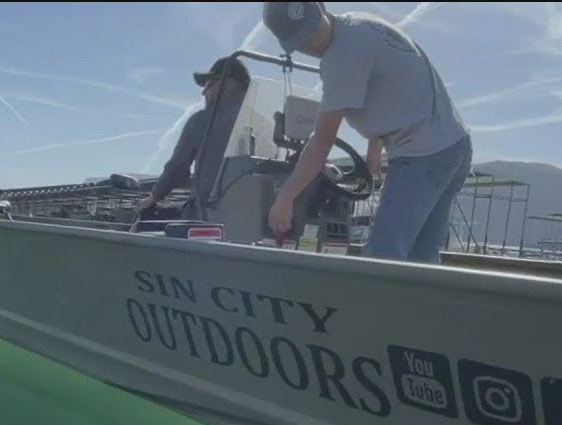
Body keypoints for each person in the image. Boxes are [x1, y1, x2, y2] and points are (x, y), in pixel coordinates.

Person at [262, 1, 472, 263]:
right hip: (454, 146)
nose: (312, 43)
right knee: (422, 259)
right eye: (302, 40)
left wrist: (285, 197)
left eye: (313, 30)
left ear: (322, 8)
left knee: (381, 257)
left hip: (422, 154)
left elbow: (321, 143)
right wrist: (374, 154)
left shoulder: (340, 56)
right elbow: (389, 95)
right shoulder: (359, 24)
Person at [137, 56, 252, 220]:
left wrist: (153, 197)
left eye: (208, 84)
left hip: (206, 216)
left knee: (147, 217)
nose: (203, 92)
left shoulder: (202, 121)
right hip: (251, 217)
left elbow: (177, 168)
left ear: (228, 83)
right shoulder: (263, 121)